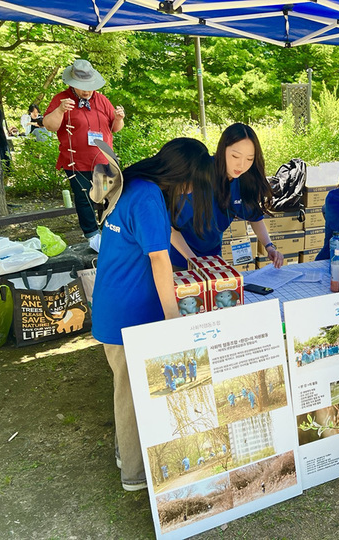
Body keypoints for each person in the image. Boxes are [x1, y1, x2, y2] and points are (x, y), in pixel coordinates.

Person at [91, 138, 214, 491]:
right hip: (127, 312)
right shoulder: (147, 195)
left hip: (116, 304)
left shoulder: (138, 186)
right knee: (130, 393)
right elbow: (159, 258)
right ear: (181, 174)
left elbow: (167, 233)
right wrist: (174, 320)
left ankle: (123, 453)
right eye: (192, 182)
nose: (191, 190)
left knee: (126, 388)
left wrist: (196, 262)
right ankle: (134, 473)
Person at [170, 123, 283, 269]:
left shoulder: (244, 179)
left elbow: (254, 216)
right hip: (180, 259)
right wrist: (193, 261)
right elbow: (171, 229)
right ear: (222, 149)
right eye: (235, 156)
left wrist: (269, 247)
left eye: (249, 159)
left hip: (213, 258)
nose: (241, 165)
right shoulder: (199, 175)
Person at [44, 59, 126, 252]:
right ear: (72, 84)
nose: (87, 91)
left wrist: (119, 118)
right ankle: (92, 236)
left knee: (108, 196)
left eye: (89, 87)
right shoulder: (61, 99)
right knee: (84, 198)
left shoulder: (102, 100)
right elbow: (49, 125)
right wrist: (60, 110)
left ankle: (110, 232)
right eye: (82, 87)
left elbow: (114, 128)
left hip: (103, 160)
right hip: (76, 162)